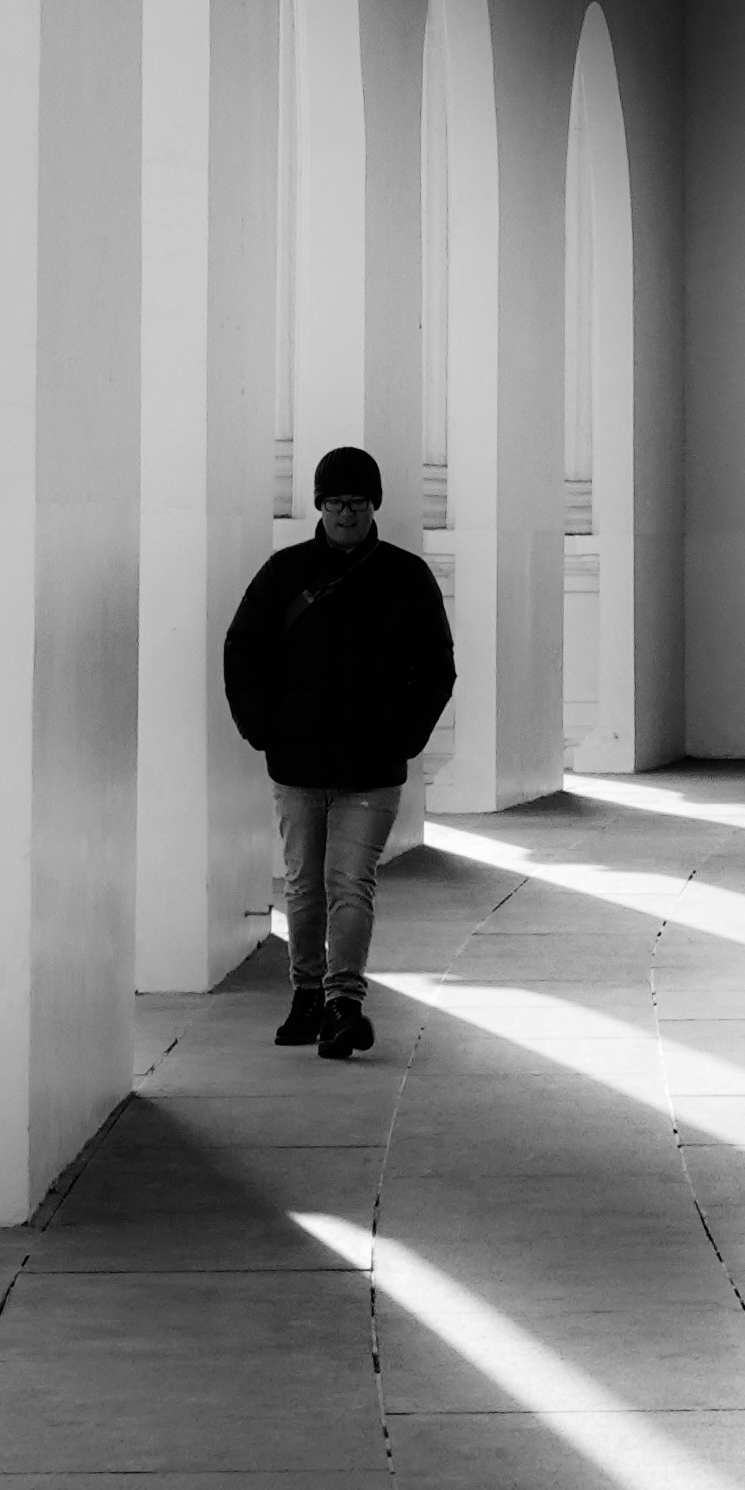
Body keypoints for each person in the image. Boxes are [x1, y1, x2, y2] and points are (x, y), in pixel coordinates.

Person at [221, 444, 456, 1058]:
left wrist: (404, 738)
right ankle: (306, 995)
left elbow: (436, 668)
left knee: (350, 882)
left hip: (371, 769)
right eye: (334, 502)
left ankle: (343, 1002)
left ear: (374, 504)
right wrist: (262, 727)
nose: (345, 513)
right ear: (318, 506)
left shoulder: (406, 578)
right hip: (298, 763)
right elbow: (242, 648)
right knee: (303, 885)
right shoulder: (285, 574)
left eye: (356, 502)